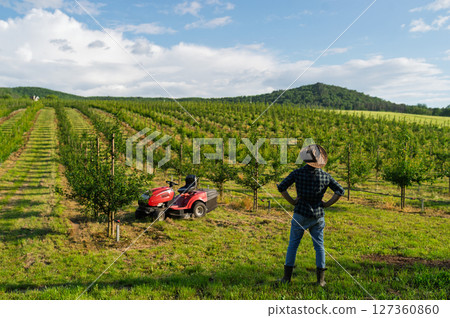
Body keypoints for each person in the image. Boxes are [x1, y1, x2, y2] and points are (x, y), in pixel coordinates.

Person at [277, 144, 344, 287]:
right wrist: (327, 204)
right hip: (318, 215)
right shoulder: (326, 176)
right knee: (319, 246)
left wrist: (292, 201)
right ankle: (321, 280)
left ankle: (286, 278)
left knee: (293, 246)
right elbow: (340, 191)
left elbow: (281, 187)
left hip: (300, 213)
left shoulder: (297, 173)